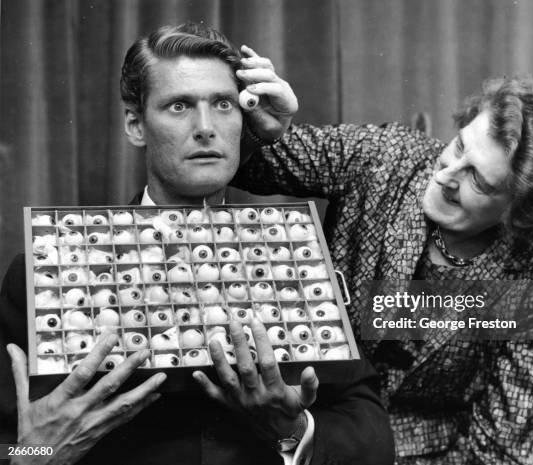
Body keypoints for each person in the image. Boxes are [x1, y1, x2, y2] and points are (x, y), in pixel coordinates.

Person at [0, 23, 394, 465]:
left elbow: (373, 438)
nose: (205, 127)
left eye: (223, 104)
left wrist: (292, 433)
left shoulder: (298, 263)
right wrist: (34, 454)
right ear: (136, 124)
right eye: (179, 105)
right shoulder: (43, 273)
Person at [232, 70, 533, 464]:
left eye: (478, 180)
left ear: (518, 211)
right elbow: (249, 165)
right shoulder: (386, 157)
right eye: (460, 146)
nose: (445, 175)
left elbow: (502, 447)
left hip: (428, 454)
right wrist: (267, 127)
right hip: (308, 423)